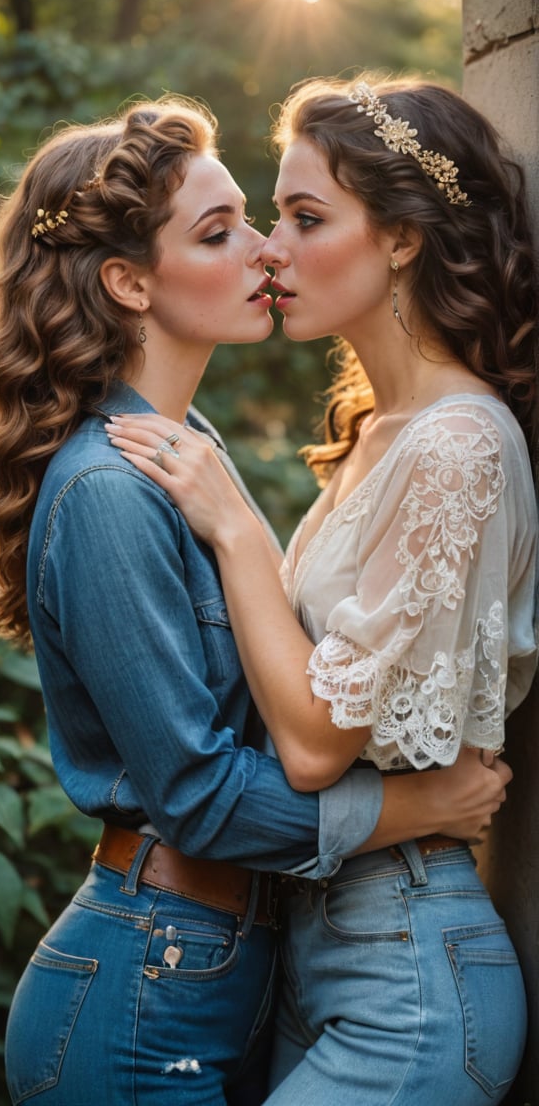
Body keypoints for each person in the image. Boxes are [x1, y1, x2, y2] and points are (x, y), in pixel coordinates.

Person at [0, 94, 511, 1106]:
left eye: (275, 218)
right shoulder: (114, 488)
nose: (263, 252)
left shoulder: (188, 455)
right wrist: (409, 805)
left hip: (226, 967)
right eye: (224, 232)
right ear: (127, 281)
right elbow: (204, 791)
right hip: (145, 979)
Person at [104, 77, 539, 1105]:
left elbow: (312, 743)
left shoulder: (460, 444)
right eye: (272, 216)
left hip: (406, 971)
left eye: (306, 219)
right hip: (317, 944)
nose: (271, 250)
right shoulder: (382, 438)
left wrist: (237, 527)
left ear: (399, 238)